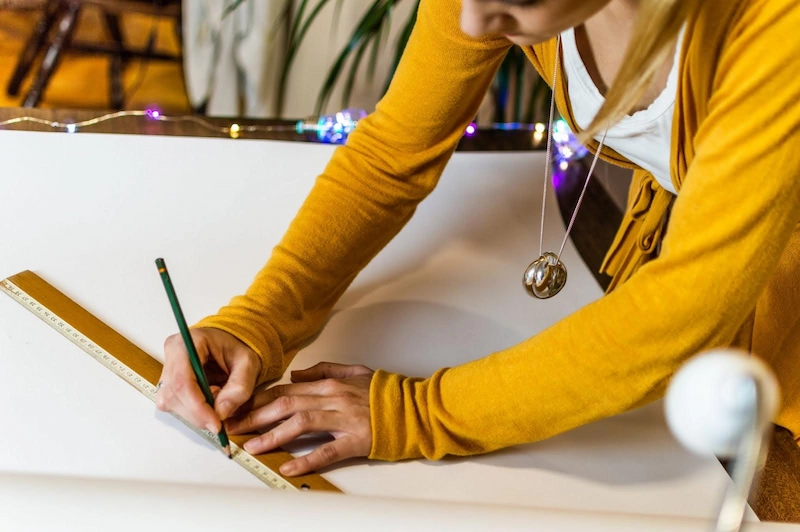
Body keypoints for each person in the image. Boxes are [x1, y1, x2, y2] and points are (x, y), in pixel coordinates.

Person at [155, 0, 800, 478]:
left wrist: (416, 415)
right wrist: (260, 317)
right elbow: (392, 153)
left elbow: (681, 311)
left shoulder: (778, 28)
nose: (467, 22)